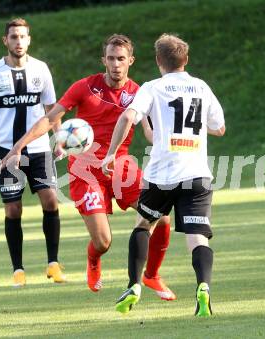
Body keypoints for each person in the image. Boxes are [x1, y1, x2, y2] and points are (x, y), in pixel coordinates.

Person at [0, 34, 176, 300]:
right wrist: (17, 149)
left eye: (121, 59)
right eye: (110, 58)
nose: (115, 64)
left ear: (131, 61)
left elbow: (150, 132)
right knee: (103, 242)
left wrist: (174, 143)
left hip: (121, 167)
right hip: (85, 170)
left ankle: (151, 275)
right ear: (103, 60)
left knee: (162, 218)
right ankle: (93, 260)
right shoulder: (85, 87)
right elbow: (50, 119)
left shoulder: (140, 93)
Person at [102, 33, 225, 316]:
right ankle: (203, 286)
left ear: (159, 60)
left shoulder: (153, 88)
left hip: (162, 174)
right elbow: (219, 128)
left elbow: (127, 117)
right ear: (186, 60)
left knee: (144, 225)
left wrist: (111, 152)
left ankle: (134, 284)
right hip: (197, 175)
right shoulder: (201, 87)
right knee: (197, 237)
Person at [0, 18, 67, 287]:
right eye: (13, 37)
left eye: (22, 37)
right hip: (5, 151)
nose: (18, 41)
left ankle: (53, 264)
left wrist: (58, 140)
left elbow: (53, 108)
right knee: (13, 209)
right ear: (6, 41)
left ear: (29, 40)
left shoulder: (41, 69)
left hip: (38, 150)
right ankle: (18, 270)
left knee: (51, 200)